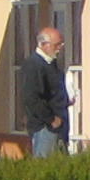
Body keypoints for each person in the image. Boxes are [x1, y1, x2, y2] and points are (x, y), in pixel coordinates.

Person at [18, 24, 72, 156]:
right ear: (44, 44)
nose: (59, 49)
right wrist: (51, 119)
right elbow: (31, 97)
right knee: (46, 166)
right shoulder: (34, 65)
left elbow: (52, 91)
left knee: (59, 165)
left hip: (58, 125)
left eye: (61, 45)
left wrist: (65, 99)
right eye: (56, 45)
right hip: (44, 127)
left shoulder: (51, 63)